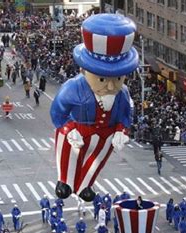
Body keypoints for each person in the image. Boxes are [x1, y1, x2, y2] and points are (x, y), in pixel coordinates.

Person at [50, 14, 137, 201]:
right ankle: (65, 180)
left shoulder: (122, 93)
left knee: (97, 160)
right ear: (84, 70)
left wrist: (123, 129)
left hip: (106, 134)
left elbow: (126, 112)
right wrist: (67, 127)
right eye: (103, 79)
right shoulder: (73, 88)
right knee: (70, 151)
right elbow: (58, 110)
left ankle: (85, 184)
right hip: (78, 129)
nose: (111, 86)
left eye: (118, 79)